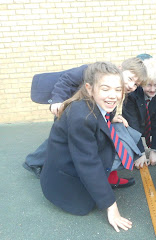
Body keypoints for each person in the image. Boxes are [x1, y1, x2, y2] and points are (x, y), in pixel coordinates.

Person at [41, 61, 140, 232]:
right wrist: (111, 206)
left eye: (118, 90)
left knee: (125, 137)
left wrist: (110, 119)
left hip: (73, 159)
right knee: (87, 202)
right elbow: (88, 163)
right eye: (105, 89)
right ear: (89, 88)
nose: (113, 95)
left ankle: (109, 176)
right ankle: (107, 179)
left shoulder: (97, 104)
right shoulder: (82, 117)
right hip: (65, 180)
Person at [24, 57, 147, 189]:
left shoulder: (116, 89)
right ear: (120, 68)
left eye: (136, 84)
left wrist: (110, 118)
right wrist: (57, 100)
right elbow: (66, 80)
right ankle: (34, 162)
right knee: (61, 140)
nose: (131, 86)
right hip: (69, 110)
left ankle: (108, 176)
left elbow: (107, 105)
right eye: (130, 79)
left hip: (87, 114)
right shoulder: (91, 71)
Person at [122, 57, 156, 168]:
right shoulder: (131, 95)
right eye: (148, 85)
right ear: (141, 83)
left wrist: (154, 151)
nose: (152, 89)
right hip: (136, 126)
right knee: (124, 127)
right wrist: (140, 153)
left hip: (148, 127)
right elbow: (132, 124)